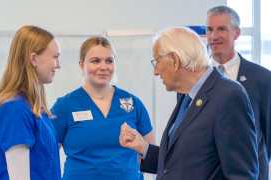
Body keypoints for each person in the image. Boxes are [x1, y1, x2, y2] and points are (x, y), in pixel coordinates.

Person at [119, 26, 258, 180]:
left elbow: (242, 175)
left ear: (174, 60)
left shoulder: (228, 95)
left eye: (157, 61)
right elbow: (177, 164)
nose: (156, 71)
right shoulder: (186, 96)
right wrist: (143, 148)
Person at [50, 36, 155, 180]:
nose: (103, 67)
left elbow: (150, 154)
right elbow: (48, 156)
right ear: (81, 64)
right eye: (95, 61)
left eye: (109, 61)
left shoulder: (133, 104)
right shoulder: (65, 106)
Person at [0, 25, 61, 180]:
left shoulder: (33, 107)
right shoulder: (14, 110)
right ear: (33, 59)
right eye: (55, 57)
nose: (58, 65)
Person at [206, 5, 271, 180]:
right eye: (210, 29)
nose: (214, 36)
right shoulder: (195, 78)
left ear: (237, 33)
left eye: (222, 29)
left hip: (251, 174)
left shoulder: (263, 78)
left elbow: (267, 135)